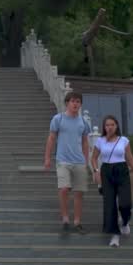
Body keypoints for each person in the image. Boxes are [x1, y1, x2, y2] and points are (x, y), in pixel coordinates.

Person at [91, 115, 133, 248]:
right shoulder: (100, 141)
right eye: (107, 125)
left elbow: (131, 159)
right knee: (109, 205)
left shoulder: (123, 140)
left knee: (125, 203)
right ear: (104, 127)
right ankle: (115, 235)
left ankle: (125, 222)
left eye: (112, 125)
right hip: (106, 171)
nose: (109, 127)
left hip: (122, 171)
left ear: (117, 126)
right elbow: (94, 158)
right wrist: (96, 171)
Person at [44, 91, 91, 233]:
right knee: (64, 189)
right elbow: (51, 138)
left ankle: (77, 222)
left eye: (78, 101)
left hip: (79, 162)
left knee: (79, 193)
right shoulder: (58, 119)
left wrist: (86, 160)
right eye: (73, 101)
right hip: (62, 160)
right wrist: (47, 158)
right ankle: (65, 218)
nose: (75, 104)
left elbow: (85, 142)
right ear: (67, 103)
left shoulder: (83, 122)